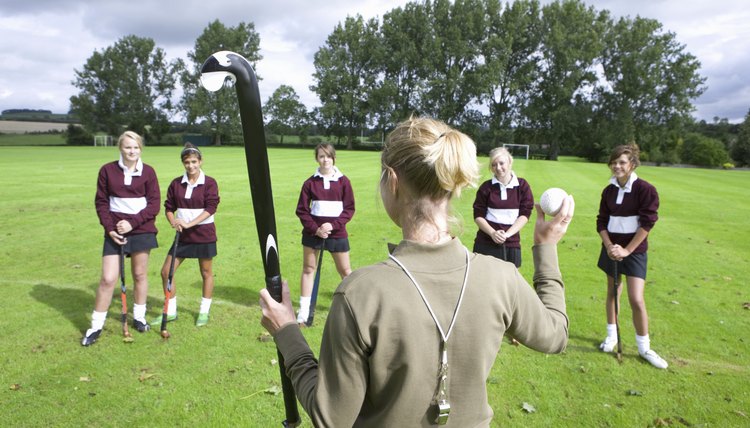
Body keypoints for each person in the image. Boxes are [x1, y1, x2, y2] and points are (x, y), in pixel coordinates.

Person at [259, 116, 574, 426]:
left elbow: (330, 418)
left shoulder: (360, 294)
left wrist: (288, 332)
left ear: (393, 182)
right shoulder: (502, 277)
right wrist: (546, 246)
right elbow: (555, 335)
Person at [82, 130, 160, 346]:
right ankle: (96, 326)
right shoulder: (107, 171)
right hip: (115, 231)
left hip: (142, 229)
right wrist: (110, 229)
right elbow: (101, 202)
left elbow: (154, 205)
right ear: (120, 148)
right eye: (127, 147)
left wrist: (132, 223)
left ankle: (139, 317)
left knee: (139, 274)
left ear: (140, 149)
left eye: (135, 147)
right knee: (108, 279)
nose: (132, 151)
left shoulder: (149, 172)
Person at [596, 144, 667, 369]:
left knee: (636, 298)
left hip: (634, 251)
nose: (616, 166)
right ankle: (611, 337)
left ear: (632, 165)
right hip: (611, 248)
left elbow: (647, 224)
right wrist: (609, 246)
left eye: (622, 162)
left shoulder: (645, 189)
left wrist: (627, 250)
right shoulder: (608, 190)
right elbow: (601, 221)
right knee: (613, 293)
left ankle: (644, 348)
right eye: (614, 162)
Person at [151, 143, 220, 328]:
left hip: (204, 234)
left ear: (200, 161)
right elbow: (168, 208)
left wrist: (189, 223)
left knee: (206, 273)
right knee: (166, 272)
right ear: (183, 163)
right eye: (187, 162)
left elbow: (211, 208)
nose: (191, 166)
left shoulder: (210, 182)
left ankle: (204, 312)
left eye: (194, 162)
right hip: (183, 237)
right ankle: (171, 311)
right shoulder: (176, 183)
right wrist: (173, 221)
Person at [294, 143, 355, 325]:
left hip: (337, 233)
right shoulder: (310, 183)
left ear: (334, 158)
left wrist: (332, 226)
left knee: (345, 271)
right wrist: (316, 229)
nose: (325, 160)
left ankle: (354, 307)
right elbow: (302, 211)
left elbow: (349, 209)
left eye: (328, 156)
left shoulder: (344, 182)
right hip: (313, 234)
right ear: (317, 159)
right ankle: (304, 311)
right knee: (308, 269)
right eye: (321, 156)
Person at [472, 147, 534, 268]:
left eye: (501, 163)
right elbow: (478, 215)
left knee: (509, 284)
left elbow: (525, 214)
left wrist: (507, 235)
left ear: (510, 162)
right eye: (494, 165)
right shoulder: (486, 187)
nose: (498, 168)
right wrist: (493, 233)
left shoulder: (522, 186)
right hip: (485, 242)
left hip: (512, 244)